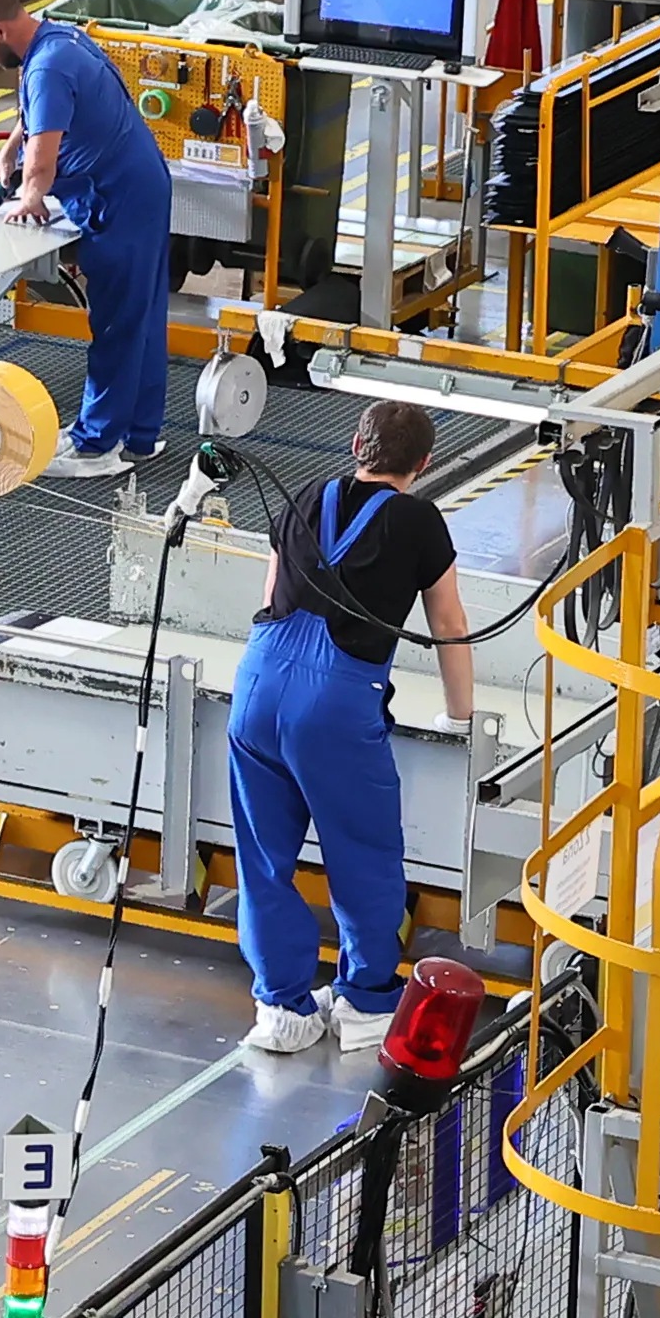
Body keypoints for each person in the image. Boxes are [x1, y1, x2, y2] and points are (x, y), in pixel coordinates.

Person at [228, 397, 474, 1056]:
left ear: (354, 443)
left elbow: (270, 593)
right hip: (333, 705)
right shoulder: (420, 522)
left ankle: (279, 1009)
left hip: (255, 685)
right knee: (361, 854)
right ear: (423, 464)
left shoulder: (305, 493)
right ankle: (365, 1003)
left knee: (261, 857)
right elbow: (449, 625)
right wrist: (462, 719)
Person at [0, 0, 175, 478]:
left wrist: (29, 197)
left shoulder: (48, 66)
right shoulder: (56, 39)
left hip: (118, 199)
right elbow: (36, 118)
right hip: (139, 186)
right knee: (141, 315)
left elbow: (44, 152)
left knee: (119, 322)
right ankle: (139, 437)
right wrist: (7, 153)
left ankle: (97, 444)